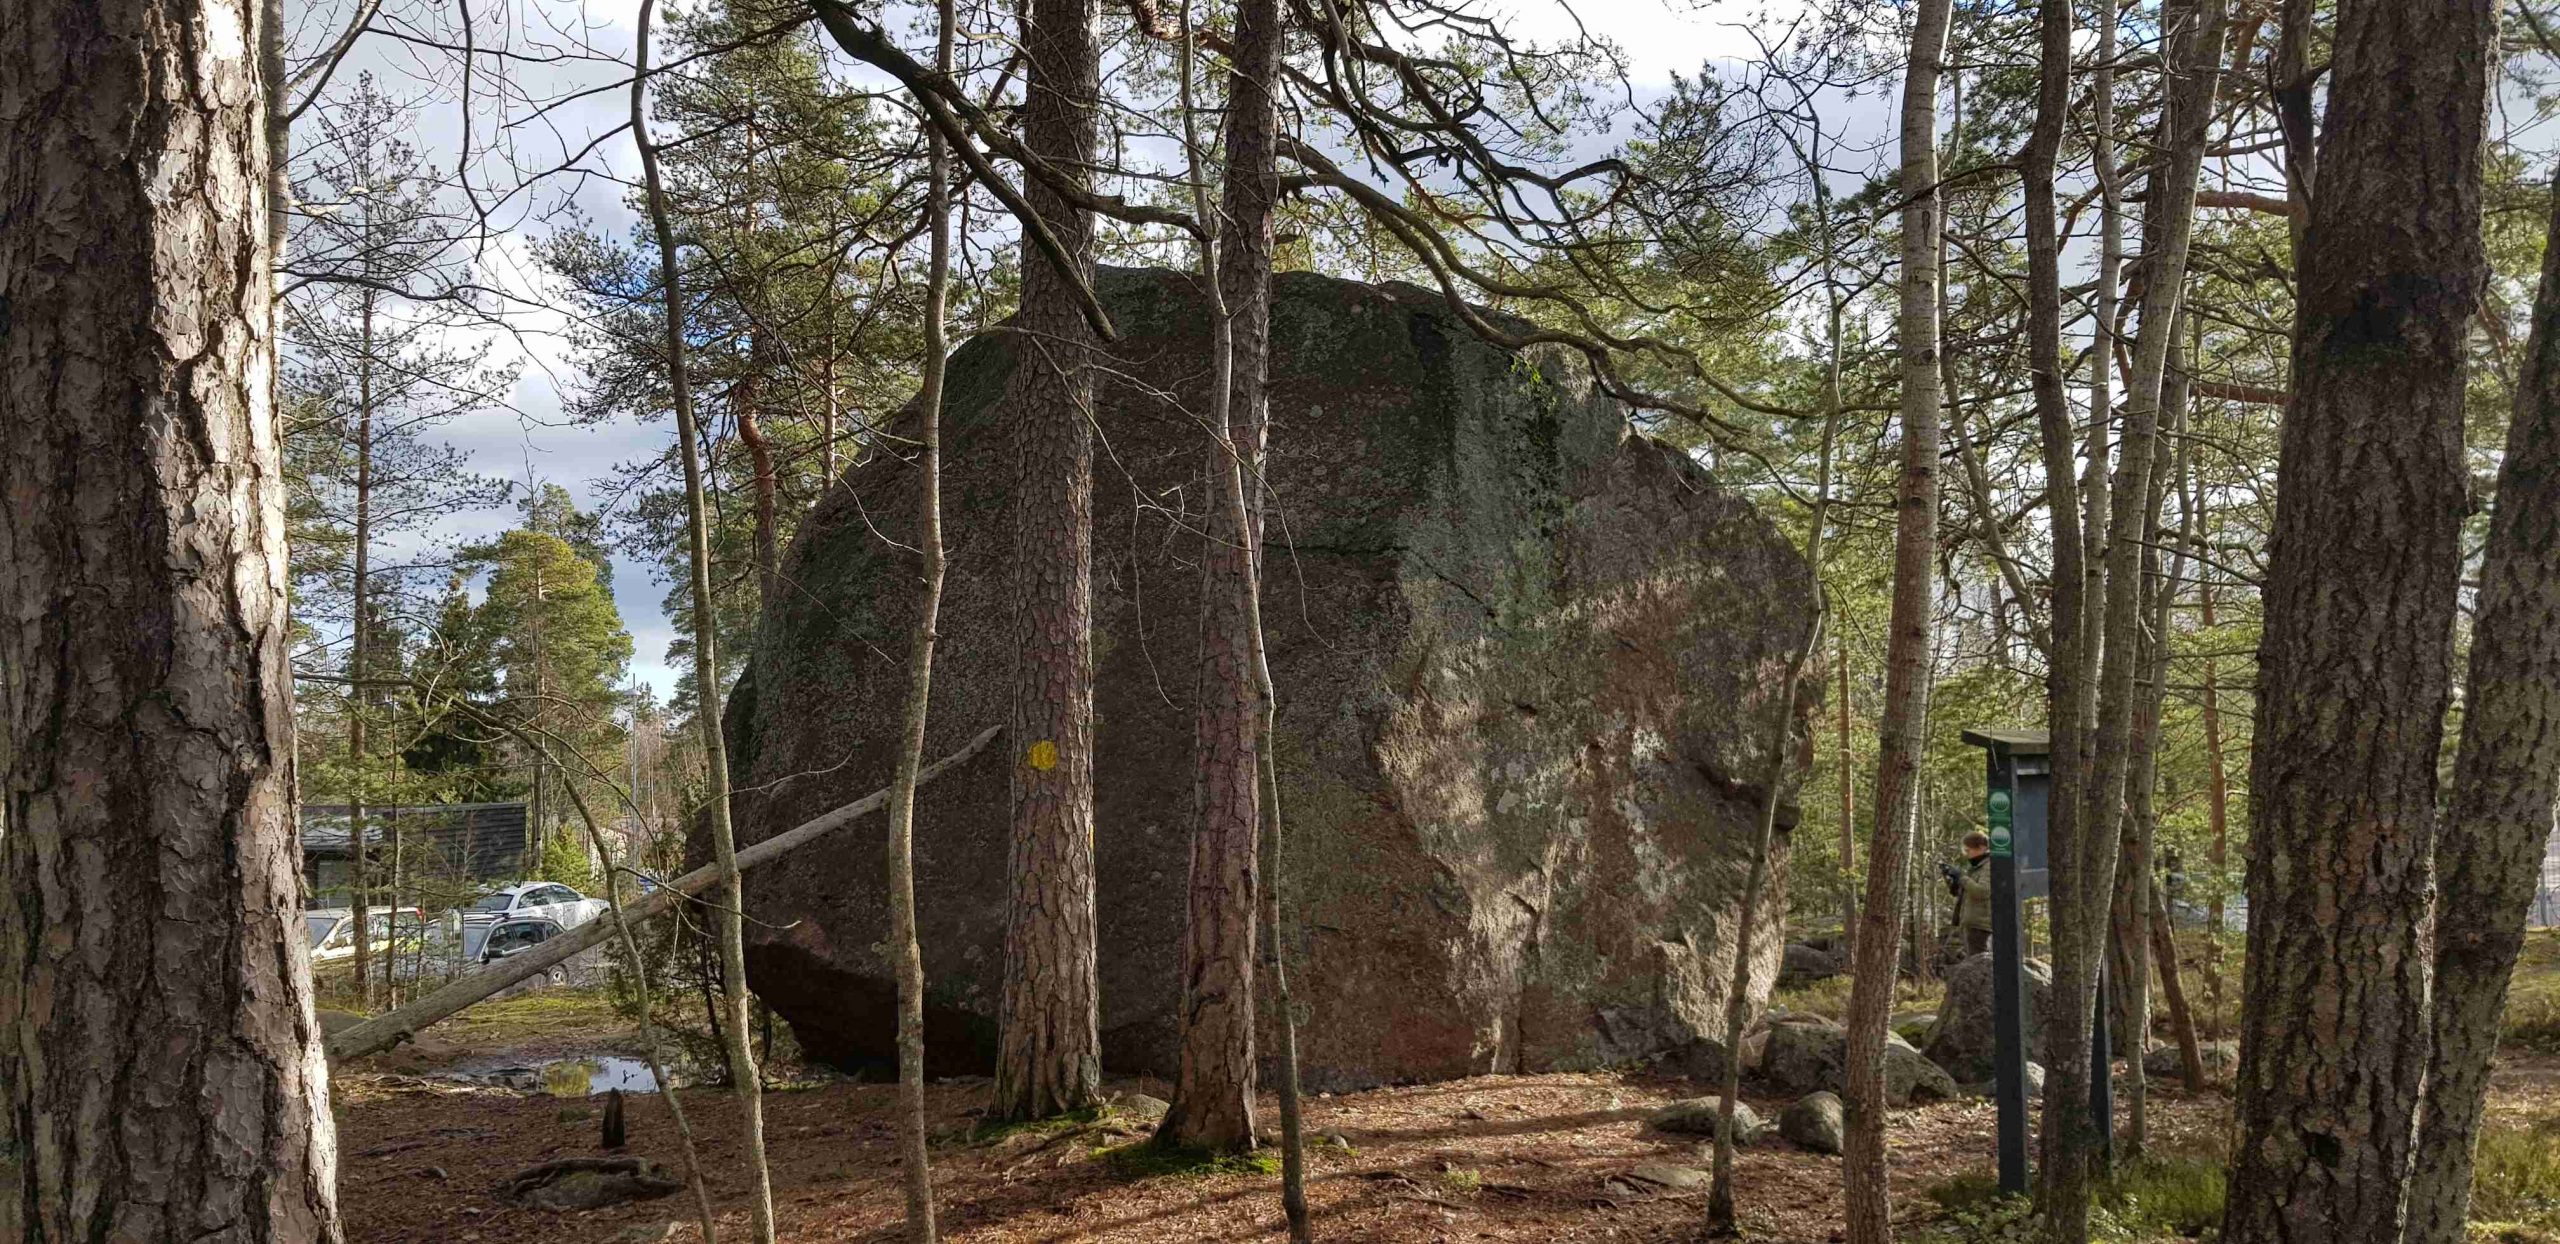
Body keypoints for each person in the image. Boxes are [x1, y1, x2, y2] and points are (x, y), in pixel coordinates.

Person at [1941, 830, 1993, 958]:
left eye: (1968, 850)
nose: (1966, 855)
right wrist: (1953, 882)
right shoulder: (1976, 867)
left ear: (1981, 848)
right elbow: (1965, 894)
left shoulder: (1989, 866)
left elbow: (1982, 892)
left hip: (1980, 925)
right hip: (1970, 924)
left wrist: (1961, 877)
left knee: (1979, 964)